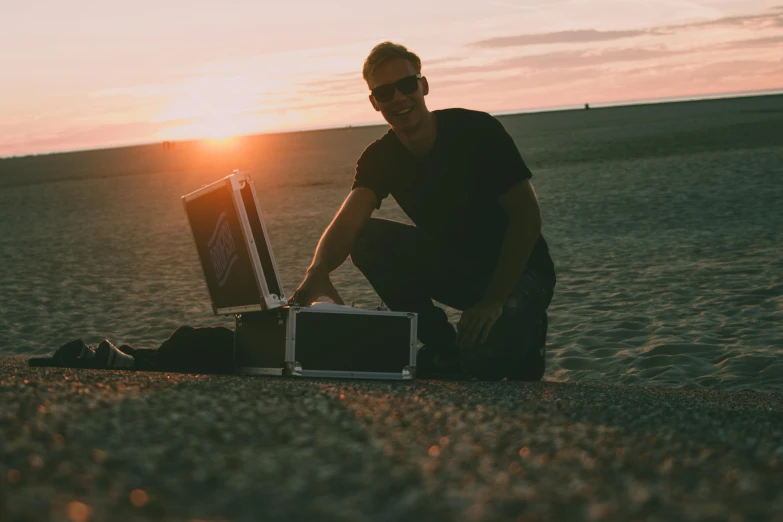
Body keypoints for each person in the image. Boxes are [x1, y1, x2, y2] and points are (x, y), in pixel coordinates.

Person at [289, 42, 556, 380]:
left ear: (423, 85)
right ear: (374, 102)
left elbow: (527, 216)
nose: (399, 98)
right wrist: (318, 270)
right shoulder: (380, 157)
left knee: (482, 370)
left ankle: (524, 334)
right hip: (459, 269)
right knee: (367, 238)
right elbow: (350, 220)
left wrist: (494, 300)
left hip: (521, 274)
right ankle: (441, 344)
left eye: (406, 85)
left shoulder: (476, 131)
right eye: (385, 92)